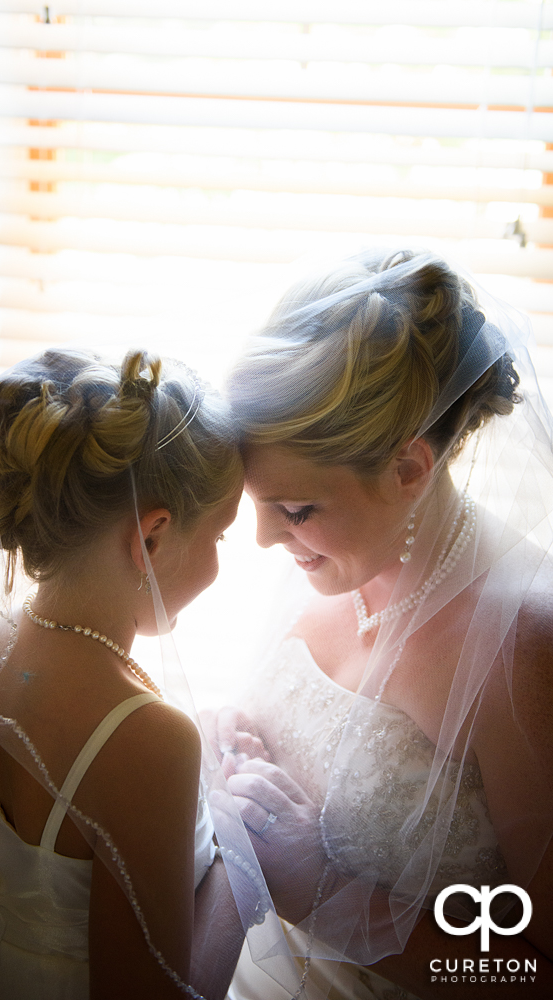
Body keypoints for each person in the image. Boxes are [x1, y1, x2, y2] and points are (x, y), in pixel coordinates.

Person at [207, 249, 553, 999]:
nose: (264, 539)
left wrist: (323, 894)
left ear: (407, 469)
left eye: (295, 510)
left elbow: (536, 969)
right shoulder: (331, 561)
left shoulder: (522, 647)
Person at [0, 347, 250, 1000]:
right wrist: (241, 865)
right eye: (221, 536)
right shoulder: (148, 737)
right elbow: (149, 988)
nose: (222, 560)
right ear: (151, 538)